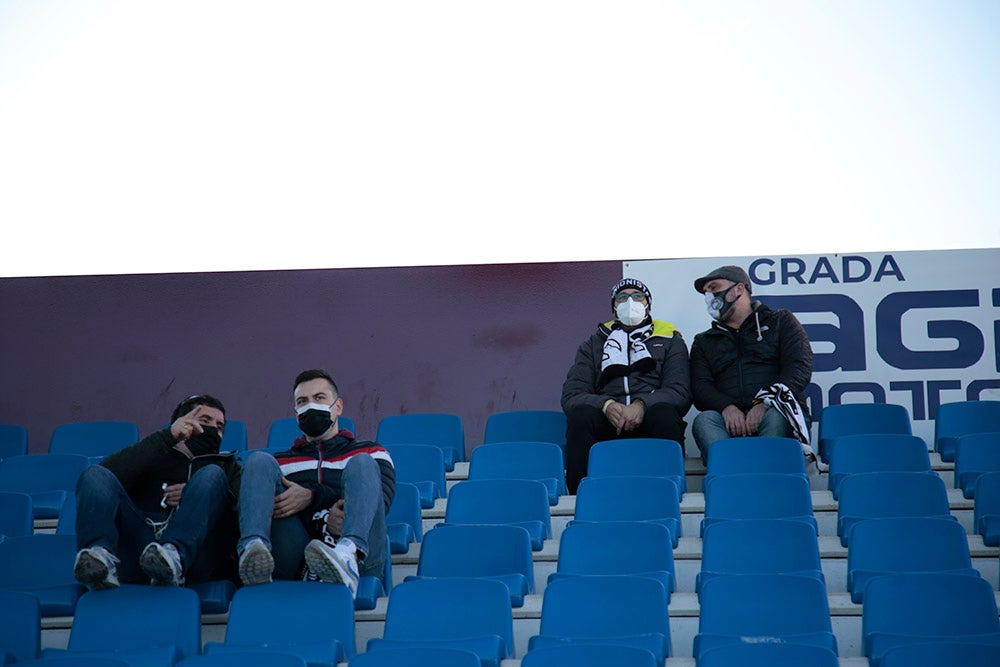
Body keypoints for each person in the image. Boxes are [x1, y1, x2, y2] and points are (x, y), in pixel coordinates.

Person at [236, 369, 395, 597]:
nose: (310, 406)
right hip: (295, 557)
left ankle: (346, 556)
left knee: (362, 463)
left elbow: (379, 501)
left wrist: (312, 497)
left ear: (338, 406)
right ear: (296, 412)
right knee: (259, 461)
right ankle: (253, 549)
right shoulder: (280, 463)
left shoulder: (372, 452)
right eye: (302, 401)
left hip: (361, 554)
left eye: (319, 398)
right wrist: (319, 515)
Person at [73, 394, 241, 590]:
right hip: (139, 548)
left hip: (196, 558)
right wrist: (167, 437)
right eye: (205, 421)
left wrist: (195, 494)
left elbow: (241, 508)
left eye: (220, 427)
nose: (214, 430)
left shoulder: (227, 467)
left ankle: (174, 556)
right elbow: (101, 481)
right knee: (95, 473)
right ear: (182, 422)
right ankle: (99, 560)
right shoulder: (154, 452)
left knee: (211, 474)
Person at [561, 278, 691, 494]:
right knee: (581, 415)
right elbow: (572, 395)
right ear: (614, 306)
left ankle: (668, 491)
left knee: (665, 413)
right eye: (622, 297)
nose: (630, 301)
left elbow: (680, 391)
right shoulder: (593, 344)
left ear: (648, 303)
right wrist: (607, 405)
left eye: (637, 296)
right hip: (608, 421)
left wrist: (642, 404)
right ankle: (580, 496)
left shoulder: (670, 339)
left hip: (650, 418)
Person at [689, 265, 814, 464]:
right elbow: (700, 386)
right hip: (729, 422)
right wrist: (726, 407)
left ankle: (768, 477)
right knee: (705, 421)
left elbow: (799, 366)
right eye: (706, 292)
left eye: (714, 288)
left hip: (774, 411)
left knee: (776, 417)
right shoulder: (704, 340)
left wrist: (765, 403)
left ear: (739, 289)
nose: (709, 296)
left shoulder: (781, 321)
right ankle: (731, 476)